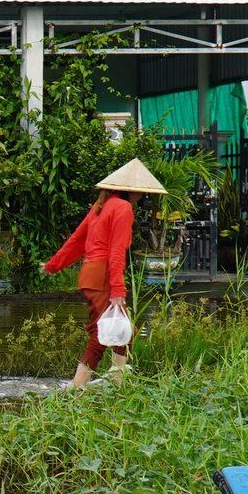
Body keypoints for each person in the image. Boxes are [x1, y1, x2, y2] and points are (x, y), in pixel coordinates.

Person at [41, 158, 166, 390]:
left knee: (125, 332)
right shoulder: (122, 208)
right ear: (128, 190)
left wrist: (53, 265)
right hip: (102, 277)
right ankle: (77, 388)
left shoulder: (102, 205)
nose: (141, 196)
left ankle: (117, 382)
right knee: (102, 335)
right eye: (139, 191)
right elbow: (116, 251)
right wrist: (118, 289)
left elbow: (77, 240)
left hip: (90, 276)